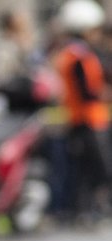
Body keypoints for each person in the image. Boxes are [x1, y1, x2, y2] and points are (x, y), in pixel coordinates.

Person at [55, 0, 112, 224]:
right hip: (89, 120)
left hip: (81, 119)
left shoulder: (70, 53)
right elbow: (88, 91)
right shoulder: (79, 56)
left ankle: (86, 211)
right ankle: (90, 211)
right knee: (97, 170)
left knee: (83, 170)